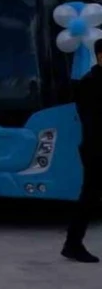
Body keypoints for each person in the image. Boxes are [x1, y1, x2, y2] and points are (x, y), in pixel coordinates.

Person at [64, 39, 102, 263]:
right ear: (99, 56)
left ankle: (72, 243)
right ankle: (72, 244)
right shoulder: (91, 82)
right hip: (97, 149)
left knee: (90, 196)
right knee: (89, 197)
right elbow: (92, 120)